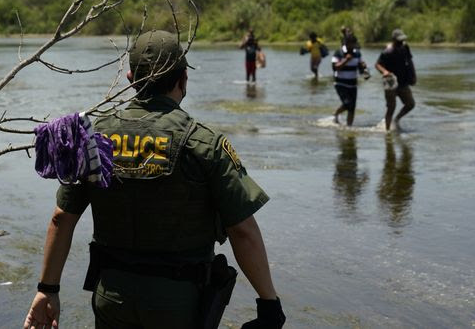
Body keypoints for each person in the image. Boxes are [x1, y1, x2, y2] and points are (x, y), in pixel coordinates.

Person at [23, 30, 285, 329]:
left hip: (112, 298)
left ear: (131, 78)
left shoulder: (94, 137)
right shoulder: (203, 143)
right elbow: (243, 231)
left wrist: (47, 290)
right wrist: (269, 303)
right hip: (179, 305)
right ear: (183, 79)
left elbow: (61, 218)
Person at [375, 28, 416, 131]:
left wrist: (413, 75)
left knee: (410, 104)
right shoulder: (387, 52)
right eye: (398, 41)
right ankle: (387, 131)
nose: (401, 42)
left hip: (403, 81)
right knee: (391, 107)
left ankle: (396, 119)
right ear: (393, 40)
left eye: (402, 40)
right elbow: (377, 64)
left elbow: (410, 61)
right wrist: (384, 71)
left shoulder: (405, 47)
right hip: (390, 82)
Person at [331, 33, 368, 126]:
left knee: (352, 107)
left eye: (354, 44)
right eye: (350, 44)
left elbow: (360, 67)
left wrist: (364, 69)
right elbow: (335, 67)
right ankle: (336, 114)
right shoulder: (338, 53)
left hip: (353, 84)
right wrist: (346, 60)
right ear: (346, 43)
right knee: (347, 103)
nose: (352, 46)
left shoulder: (357, 53)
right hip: (340, 83)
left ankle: (349, 127)